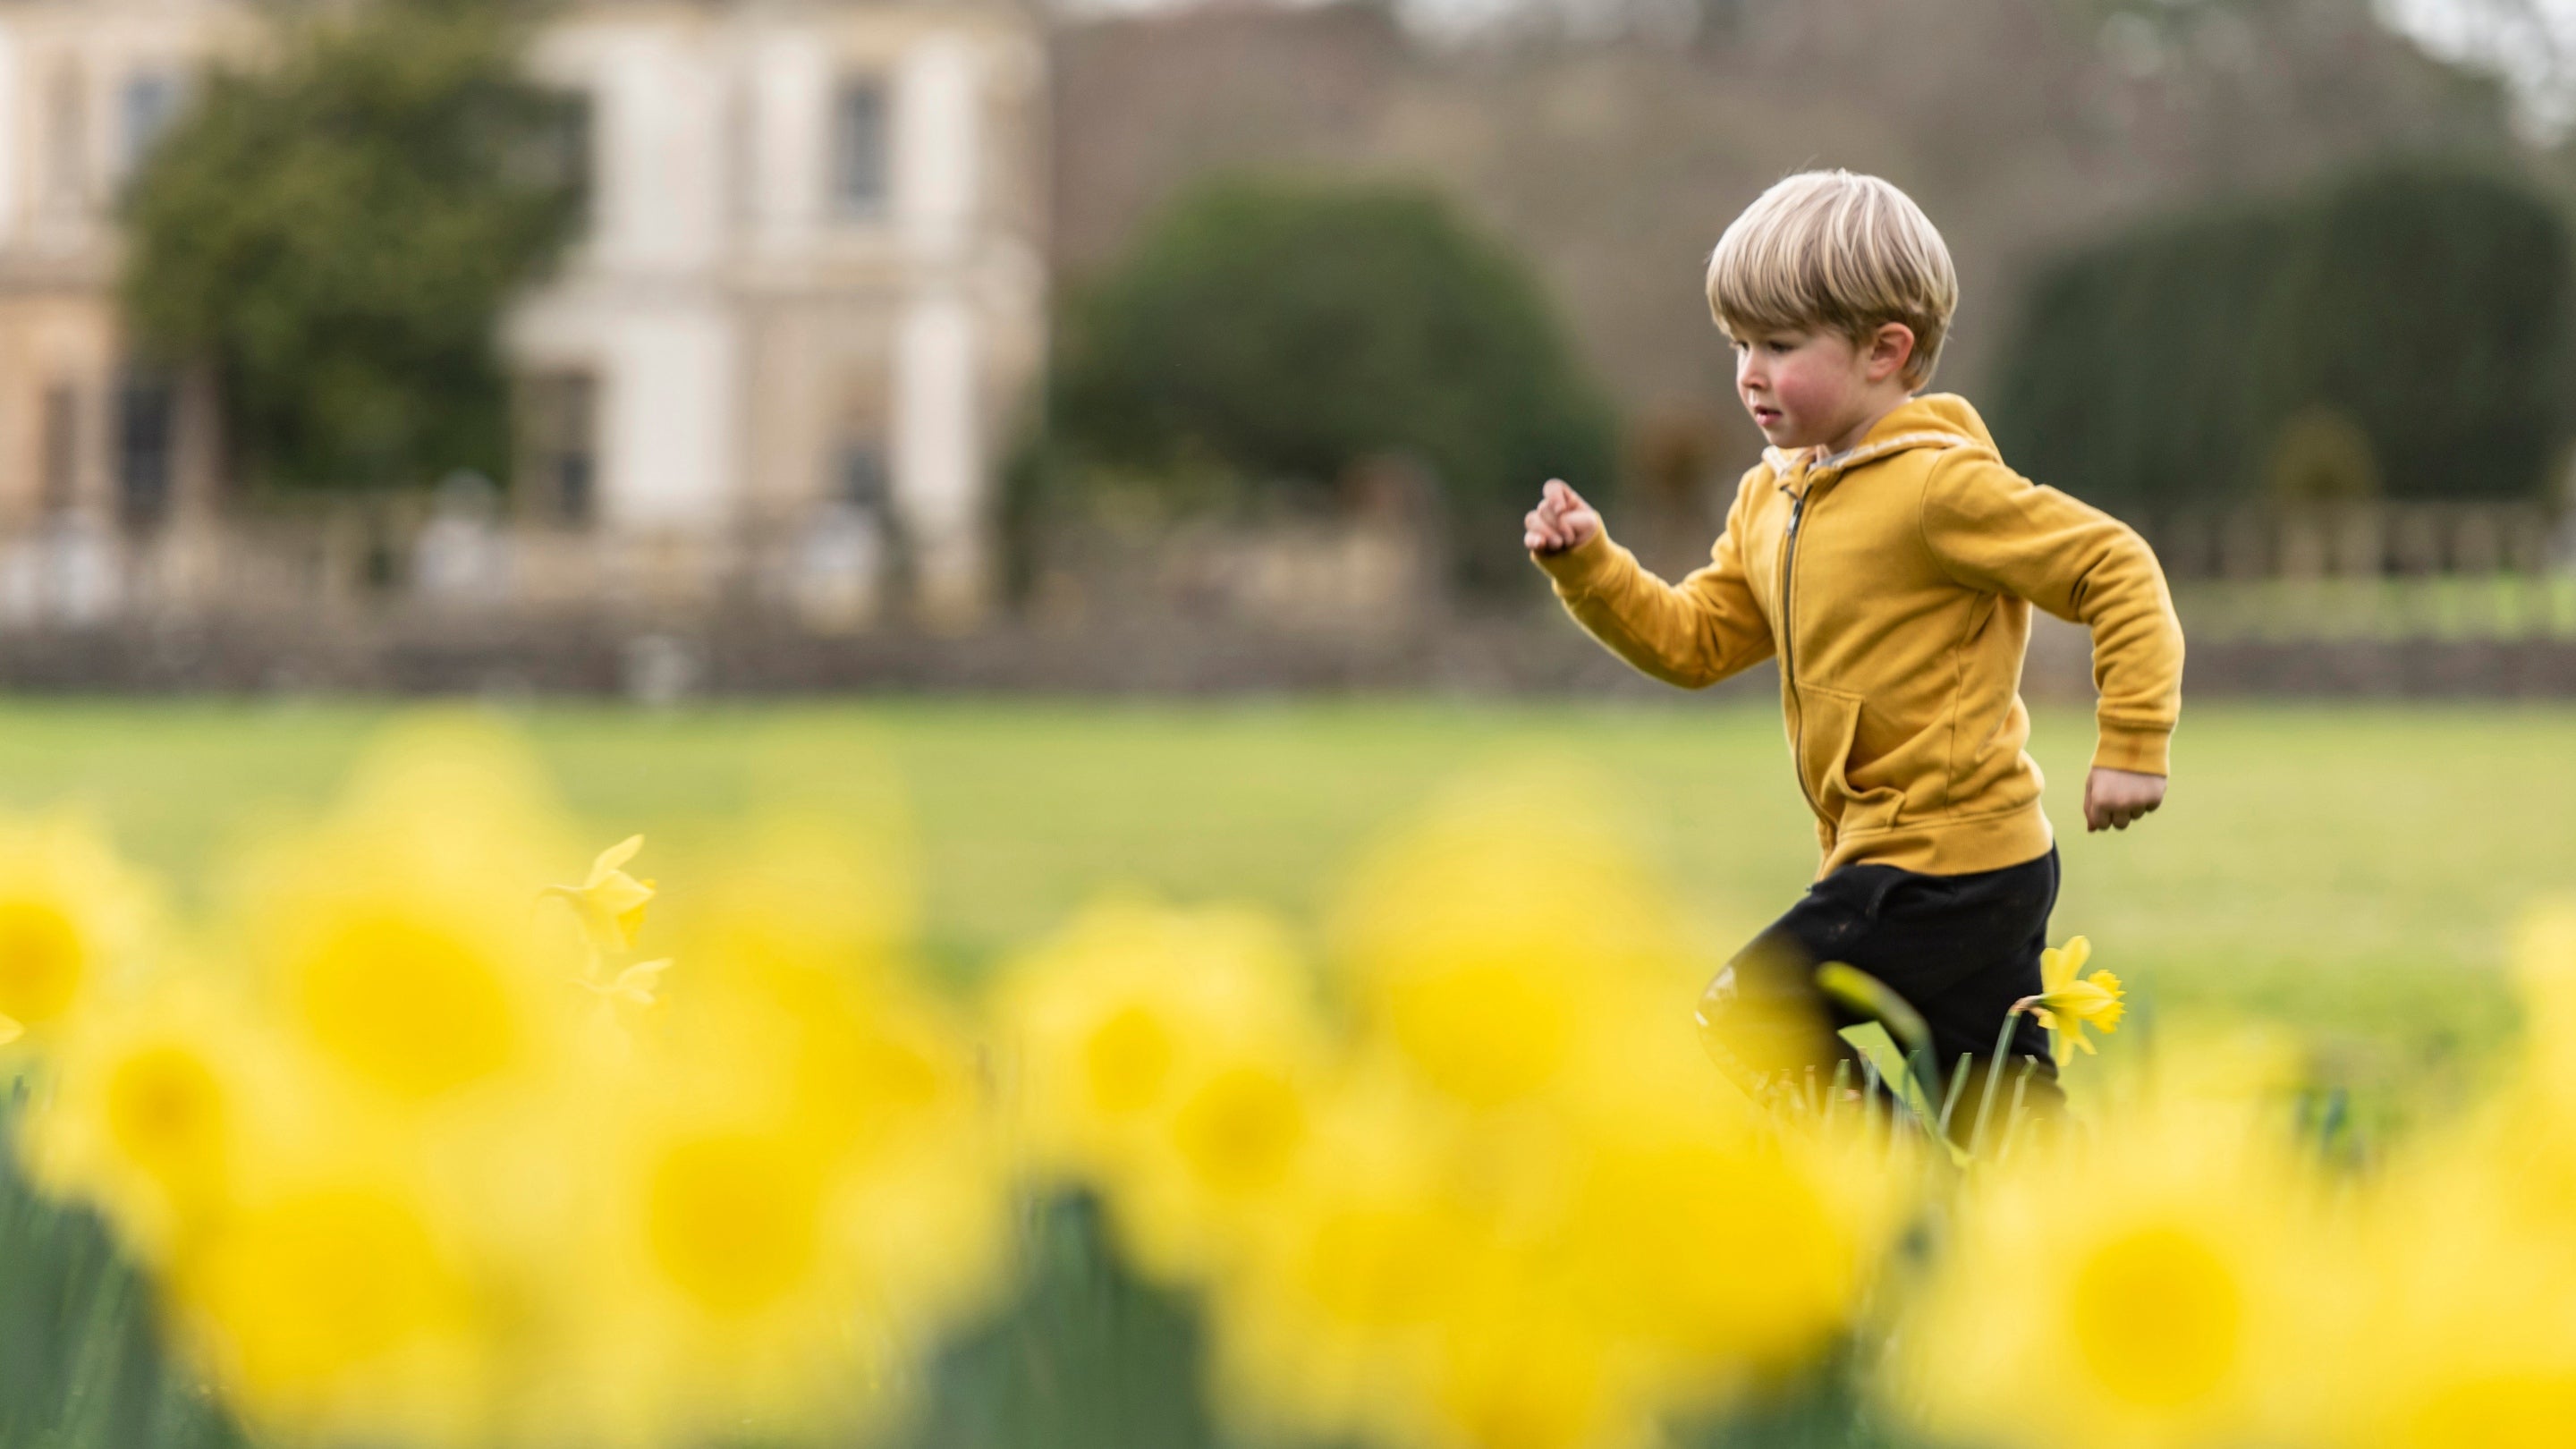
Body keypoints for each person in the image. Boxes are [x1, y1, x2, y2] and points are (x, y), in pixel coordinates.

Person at [1521, 169, 2182, 1130]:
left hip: (1939, 864)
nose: (1750, 369)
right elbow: (1696, 641)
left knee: (1746, 1016)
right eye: (1739, 342)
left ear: (1886, 351)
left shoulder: (1938, 490)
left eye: (1780, 344)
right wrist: (1591, 568)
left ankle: (1886, 1192)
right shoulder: (1770, 498)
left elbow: (2114, 567)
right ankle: (2068, 1237)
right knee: (1992, 1107)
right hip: (1925, 861)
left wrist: (2132, 744)